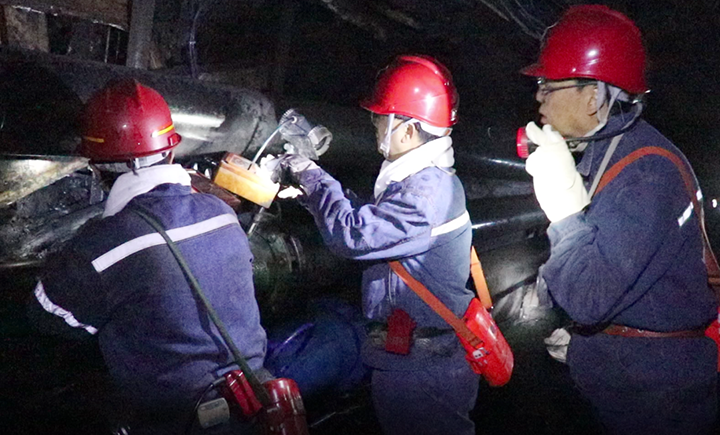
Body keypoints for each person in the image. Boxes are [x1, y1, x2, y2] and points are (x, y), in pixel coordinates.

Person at [29, 78, 269, 434]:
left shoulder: (103, 246)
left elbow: (45, 316)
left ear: (96, 167)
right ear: (170, 152)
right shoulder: (221, 212)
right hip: (254, 405)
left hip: (177, 422)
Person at [521, 5, 718, 434]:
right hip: (635, 385)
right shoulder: (611, 155)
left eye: (548, 85)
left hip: (659, 403)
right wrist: (588, 347)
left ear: (593, 96)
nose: (539, 96)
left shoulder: (645, 173)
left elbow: (590, 297)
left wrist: (564, 213)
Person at [276, 55, 480, 435]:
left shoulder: (424, 194)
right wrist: (309, 195)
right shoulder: (420, 181)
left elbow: (353, 236)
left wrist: (313, 177)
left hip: (424, 368)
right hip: (415, 358)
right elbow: (371, 220)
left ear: (409, 130)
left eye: (382, 118)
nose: (374, 124)